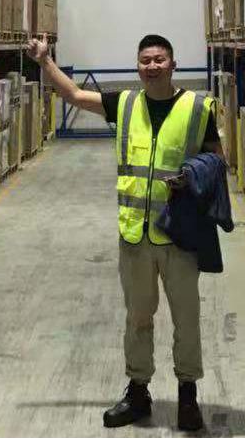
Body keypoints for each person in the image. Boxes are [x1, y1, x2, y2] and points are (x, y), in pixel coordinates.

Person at [26, 33, 222, 432]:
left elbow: (219, 160)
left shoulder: (197, 108)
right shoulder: (126, 104)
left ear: (173, 64)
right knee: (137, 318)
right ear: (138, 66)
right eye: (145, 60)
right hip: (134, 236)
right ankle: (138, 392)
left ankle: (187, 395)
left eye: (159, 59)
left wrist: (194, 175)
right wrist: (45, 61)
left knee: (186, 318)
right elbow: (75, 96)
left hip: (179, 234)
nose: (152, 66)